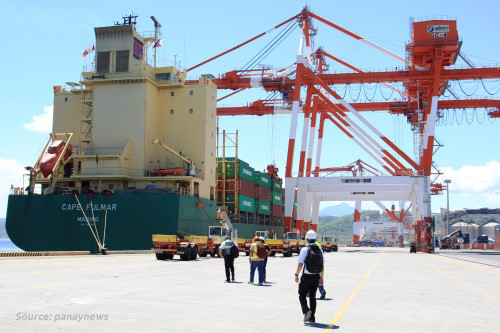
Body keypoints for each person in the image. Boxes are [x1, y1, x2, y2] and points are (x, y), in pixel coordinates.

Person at [295, 230, 324, 323]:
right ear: (315, 239)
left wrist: (296, 274)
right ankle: (312, 318)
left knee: (302, 295)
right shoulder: (320, 249)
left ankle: (307, 311)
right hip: (316, 277)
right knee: (312, 297)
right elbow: (322, 265)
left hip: (306, 276)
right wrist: (322, 278)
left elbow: (300, 263)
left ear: (306, 239)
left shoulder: (305, 249)